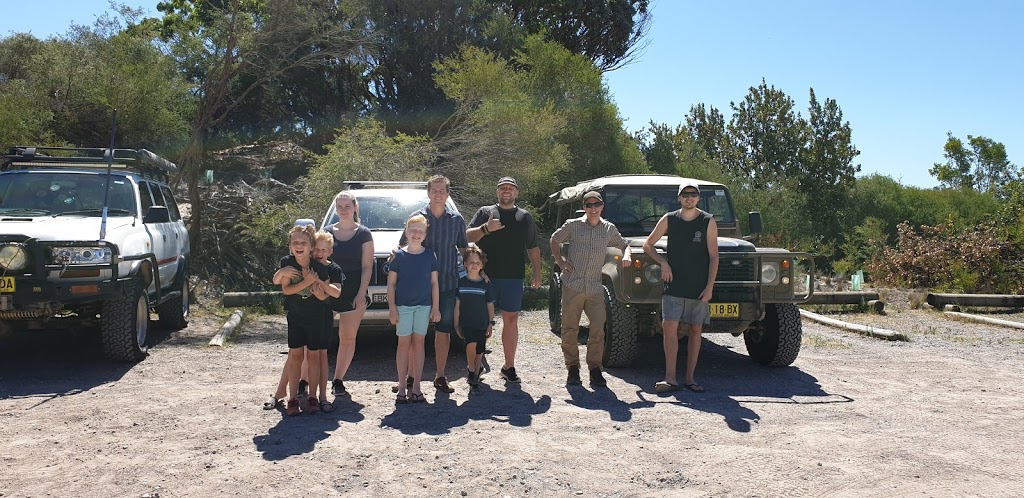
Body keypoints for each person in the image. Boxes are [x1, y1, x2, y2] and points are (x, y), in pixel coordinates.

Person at [642, 181, 719, 394]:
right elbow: (648, 245)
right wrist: (663, 262)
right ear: (679, 198)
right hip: (673, 284)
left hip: (699, 286)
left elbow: (714, 256)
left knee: (696, 330)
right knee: (670, 327)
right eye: (685, 194)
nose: (689, 197)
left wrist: (710, 286)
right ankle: (670, 378)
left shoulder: (708, 221)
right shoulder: (669, 219)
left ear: (698, 198)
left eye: (693, 194)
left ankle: (690, 379)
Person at [549, 191, 632, 387]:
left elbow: (624, 245)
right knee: (569, 328)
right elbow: (554, 239)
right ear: (584, 207)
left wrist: (627, 255)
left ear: (602, 206)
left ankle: (595, 369)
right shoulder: (573, 225)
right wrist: (560, 262)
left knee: (598, 329)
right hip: (573, 285)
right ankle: (572, 369)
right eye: (589, 205)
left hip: (595, 287)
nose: (593, 209)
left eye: (597, 205)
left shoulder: (609, 229)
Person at [396, 175, 468, 394]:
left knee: (443, 331)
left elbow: (464, 250)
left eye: (442, 190)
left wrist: (476, 273)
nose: (438, 194)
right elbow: (402, 246)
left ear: (447, 194)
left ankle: (440, 376)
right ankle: (409, 378)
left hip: (446, 283)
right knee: (411, 335)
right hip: (416, 287)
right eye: (434, 190)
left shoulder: (457, 220)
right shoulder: (416, 218)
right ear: (428, 192)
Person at [467, 177, 542, 384]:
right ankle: (475, 367)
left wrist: (537, 272)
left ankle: (509, 367)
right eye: (502, 188)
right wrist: (485, 229)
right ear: (497, 192)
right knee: (481, 322)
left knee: (511, 320)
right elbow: (467, 237)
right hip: (484, 277)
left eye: (510, 188)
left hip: (513, 278)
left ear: (517, 193)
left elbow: (533, 247)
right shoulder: (485, 213)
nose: (506, 191)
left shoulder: (524, 217)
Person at [276, 225, 331, 415]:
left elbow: (325, 295)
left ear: (311, 246)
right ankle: (292, 399)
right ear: (290, 246)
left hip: (315, 318)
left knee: (313, 357)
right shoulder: (287, 264)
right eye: (295, 243)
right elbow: (286, 289)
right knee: (295, 356)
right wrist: (306, 282)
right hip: (295, 317)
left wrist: (319, 291)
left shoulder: (319, 267)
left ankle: (312, 397)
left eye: (303, 243)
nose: (299, 246)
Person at [387, 214, 440, 403]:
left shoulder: (430, 255)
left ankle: (416, 386)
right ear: (407, 232)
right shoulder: (398, 256)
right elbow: (391, 284)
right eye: (413, 230)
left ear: (425, 234)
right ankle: (402, 386)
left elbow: (434, 283)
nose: (416, 234)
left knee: (419, 344)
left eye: (420, 231)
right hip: (403, 307)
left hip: (424, 307)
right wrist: (392, 309)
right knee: (403, 345)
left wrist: (436, 308)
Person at [327, 191, 374, 398]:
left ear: (355, 207)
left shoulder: (364, 234)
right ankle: (304, 381)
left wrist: (361, 293)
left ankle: (338, 380)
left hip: (354, 290)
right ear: (335, 208)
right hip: (328, 290)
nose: (343, 210)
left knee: (347, 337)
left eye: (347, 206)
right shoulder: (327, 232)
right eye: (340, 206)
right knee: (316, 337)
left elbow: (367, 267)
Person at [453, 245, 495, 389]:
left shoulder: (486, 284)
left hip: (482, 323)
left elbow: (490, 305)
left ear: (482, 265)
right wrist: (456, 324)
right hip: (466, 323)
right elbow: (457, 306)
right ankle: (471, 369)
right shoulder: (461, 283)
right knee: (470, 345)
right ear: (465, 264)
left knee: (479, 350)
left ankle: (476, 372)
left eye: (478, 262)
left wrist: (491, 323)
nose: (474, 265)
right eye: (471, 262)